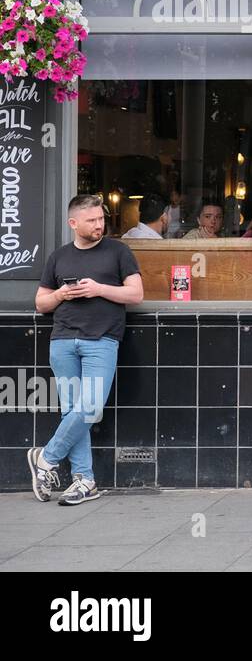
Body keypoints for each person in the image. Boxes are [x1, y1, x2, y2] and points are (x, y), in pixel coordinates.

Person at [29, 194, 144, 505]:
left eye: (101, 219)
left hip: (102, 340)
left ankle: (47, 457)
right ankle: (85, 480)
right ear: (73, 223)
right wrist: (62, 294)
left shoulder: (118, 251)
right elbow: (41, 303)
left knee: (89, 407)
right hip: (63, 340)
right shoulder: (59, 257)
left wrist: (98, 288)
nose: (99, 225)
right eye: (92, 220)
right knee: (72, 412)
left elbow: (136, 294)